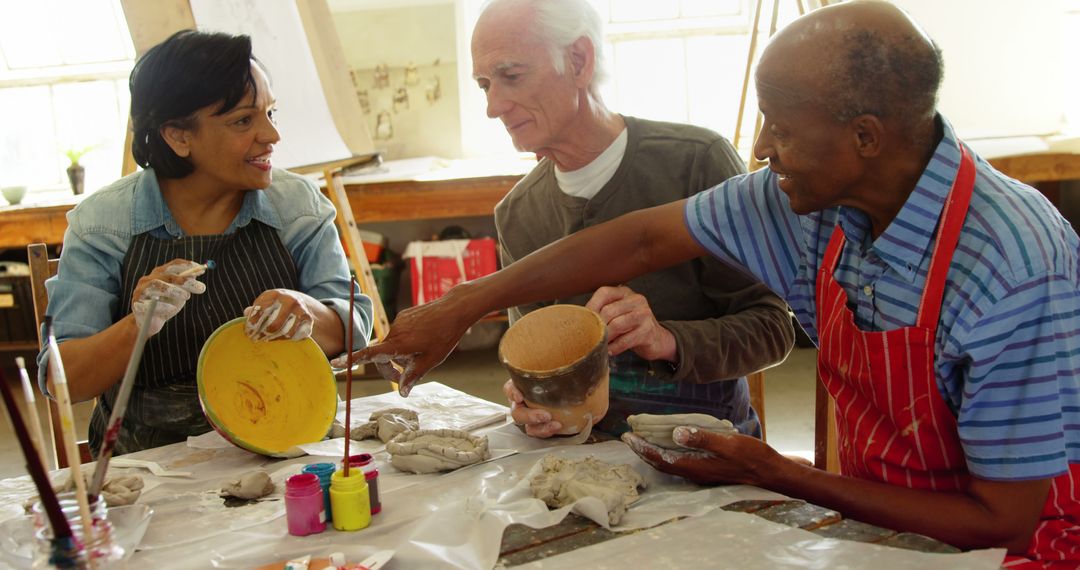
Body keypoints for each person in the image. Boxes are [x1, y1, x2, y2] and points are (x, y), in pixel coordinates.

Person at [344, 1, 1080, 564]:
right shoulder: (813, 199)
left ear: (864, 137)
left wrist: (778, 472)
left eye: (780, 129)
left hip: (1012, 545)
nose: (760, 148)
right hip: (876, 517)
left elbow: (1002, 518)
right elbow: (638, 238)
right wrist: (462, 305)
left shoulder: (1008, 265)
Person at [38, 30, 373, 456]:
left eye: (272, 113)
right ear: (178, 136)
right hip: (152, 459)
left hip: (289, 439)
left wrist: (306, 311)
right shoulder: (105, 224)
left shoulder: (297, 207)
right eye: (243, 121)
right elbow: (64, 381)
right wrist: (136, 325)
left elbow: (355, 328)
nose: (271, 135)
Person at [474, 0, 794, 438]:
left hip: (706, 456)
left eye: (511, 76)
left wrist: (666, 339)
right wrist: (533, 400)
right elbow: (531, 359)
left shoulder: (695, 164)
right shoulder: (517, 215)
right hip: (581, 458)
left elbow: (773, 327)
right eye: (484, 84)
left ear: (579, 60)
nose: (493, 106)